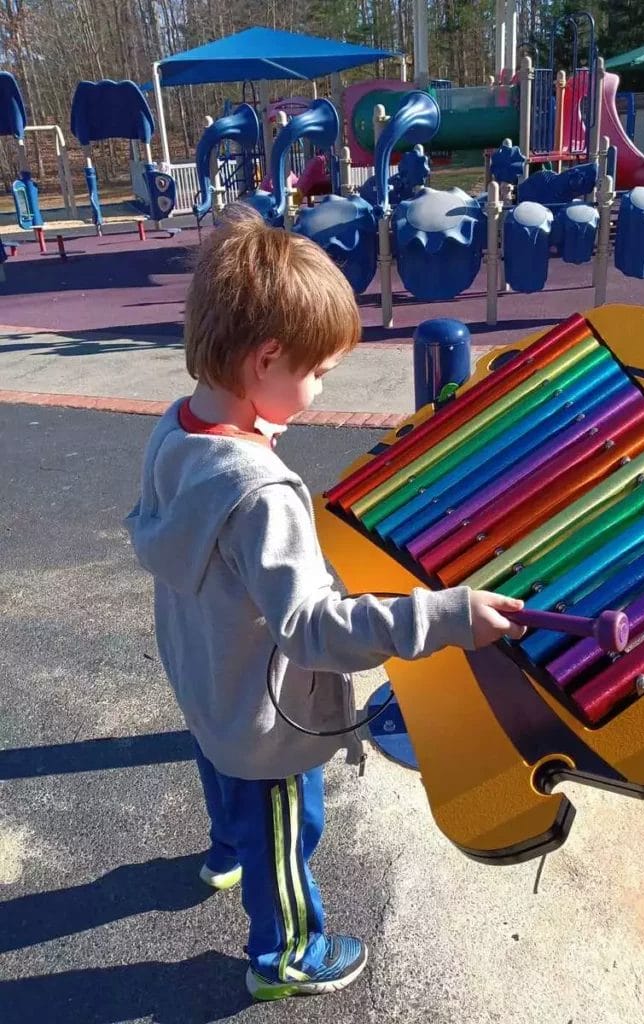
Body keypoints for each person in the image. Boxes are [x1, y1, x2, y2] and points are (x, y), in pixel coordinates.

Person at [125, 206, 525, 1003]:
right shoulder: (261, 494)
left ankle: (222, 851)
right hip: (268, 725)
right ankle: (288, 953)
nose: (320, 388)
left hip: (211, 685)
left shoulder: (179, 428)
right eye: (321, 373)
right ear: (267, 357)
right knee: (288, 829)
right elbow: (311, 630)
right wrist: (443, 616)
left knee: (222, 770)